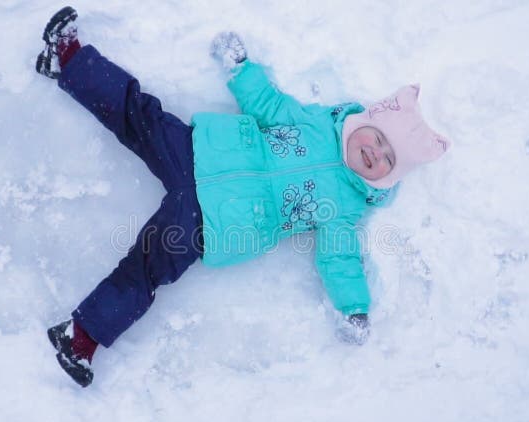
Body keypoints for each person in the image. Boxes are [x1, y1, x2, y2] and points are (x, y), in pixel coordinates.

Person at [37, 6, 450, 387]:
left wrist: (355, 307)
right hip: (196, 151)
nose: (373, 151)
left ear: (387, 176)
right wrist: (241, 69)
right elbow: (268, 104)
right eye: (377, 139)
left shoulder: (346, 207)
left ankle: (81, 338)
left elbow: (339, 256)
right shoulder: (316, 124)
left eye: (385, 159)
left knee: (144, 269)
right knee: (139, 113)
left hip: (212, 224)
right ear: (365, 121)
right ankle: (68, 60)